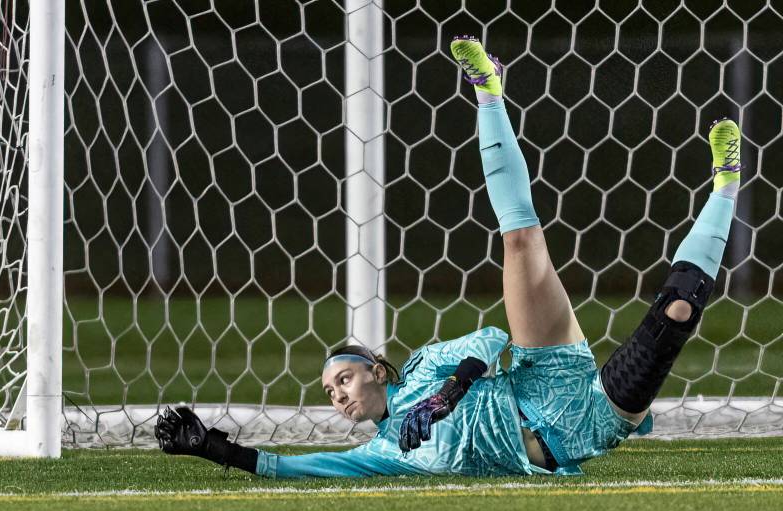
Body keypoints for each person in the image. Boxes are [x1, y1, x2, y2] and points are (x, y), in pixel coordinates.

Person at [156, 36, 742, 478]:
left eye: (343, 378)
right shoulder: (387, 452)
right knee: (676, 317)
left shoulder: (424, 369)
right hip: (588, 424)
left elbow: (490, 341)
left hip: (547, 377)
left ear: (377, 372)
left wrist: (445, 395)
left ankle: (491, 93)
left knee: (521, 240)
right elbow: (290, 469)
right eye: (330, 389)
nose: (335, 393)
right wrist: (210, 447)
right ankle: (726, 187)